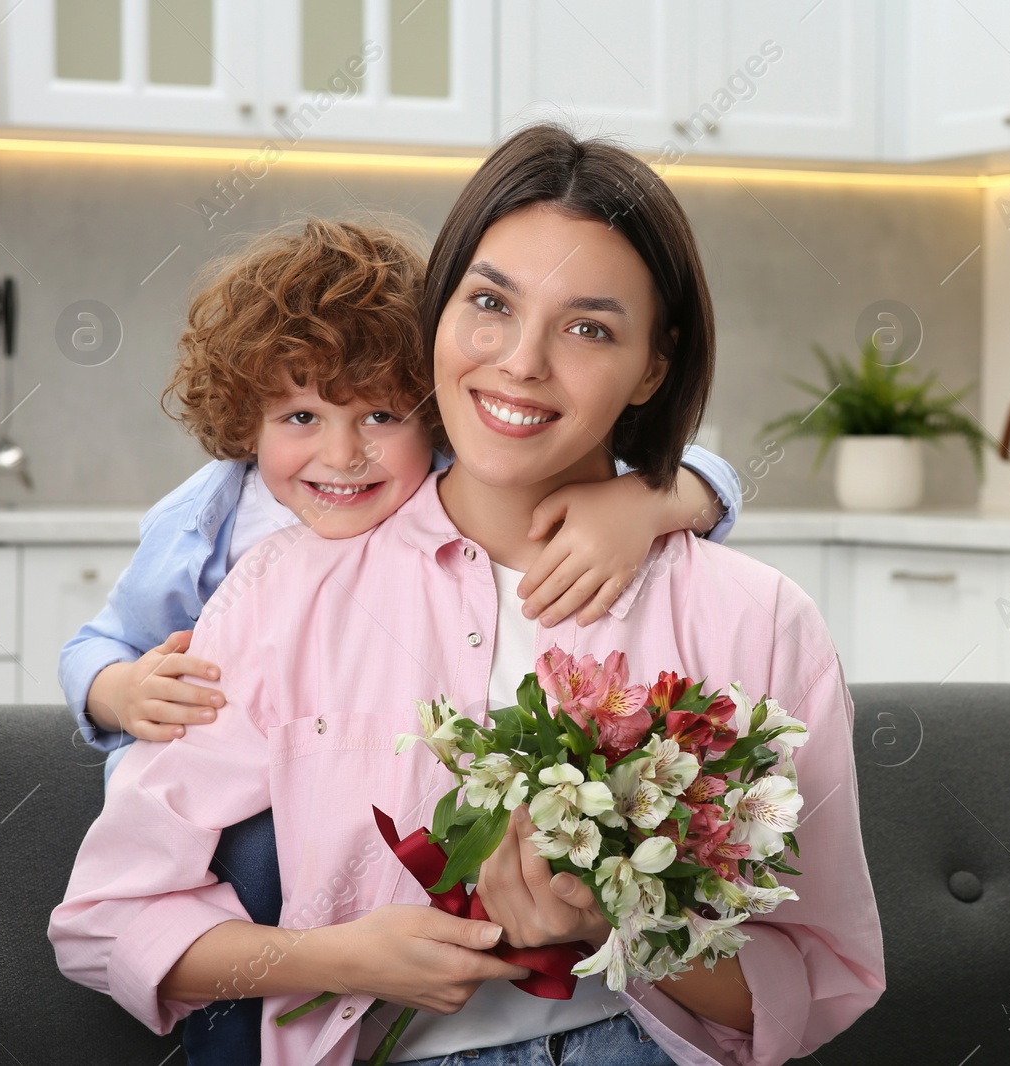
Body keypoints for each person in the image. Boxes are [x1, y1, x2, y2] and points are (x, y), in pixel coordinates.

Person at [50, 124, 883, 1066]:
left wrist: (622, 928)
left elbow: (819, 976)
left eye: (589, 327)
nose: (522, 362)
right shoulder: (285, 593)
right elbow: (105, 922)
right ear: (437, 317)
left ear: (654, 364)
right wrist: (335, 958)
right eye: (490, 302)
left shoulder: (758, 619)